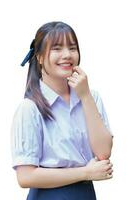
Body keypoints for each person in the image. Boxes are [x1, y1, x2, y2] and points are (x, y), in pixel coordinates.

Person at [11, 21, 114, 200]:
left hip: (85, 194)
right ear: (40, 57)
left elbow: (103, 154)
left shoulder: (91, 97)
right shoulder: (30, 108)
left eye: (72, 48)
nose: (67, 55)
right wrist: (85, 173)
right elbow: (25, 176)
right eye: (57, 49)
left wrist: (85, 96)